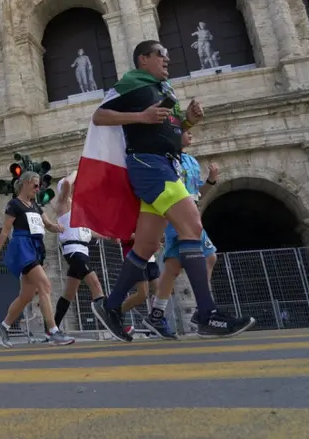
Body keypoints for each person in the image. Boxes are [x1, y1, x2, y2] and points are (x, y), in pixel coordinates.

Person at [86, 40, 254, 341]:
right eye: (162, 55)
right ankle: (207, 314)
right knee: (192, 226)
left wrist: (189, 119)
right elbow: (99, 117)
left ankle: (111, 306)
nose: (168, 60)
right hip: (148, 165)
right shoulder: (132, 84)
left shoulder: (165, 91)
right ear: (144, 59)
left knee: (147, 247)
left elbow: (172, 132)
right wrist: (140, 117)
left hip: (163, 164)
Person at [0, 172, 75, 347]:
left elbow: (47, 224)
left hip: (35, 248)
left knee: (26, 295)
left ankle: (3, 326)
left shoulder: (35, 205)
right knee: (45, 285)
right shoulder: (14, 205)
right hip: (22, 247)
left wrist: (56, 227)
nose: (38, 189)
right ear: (26, 183)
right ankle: (52, 331)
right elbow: (5, 231)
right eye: (35, 185)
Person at [147, 129, 220, 337]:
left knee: (173, 266)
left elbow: (198, 193)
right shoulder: (167, 159)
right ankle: (203, 309)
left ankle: (157, 314)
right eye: (186, 131)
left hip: (190, 213)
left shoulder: (191, 161)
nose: (191, 134)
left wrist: (211, 180)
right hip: (177, 214)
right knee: (209, 257)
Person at [51, 172, 106, 332]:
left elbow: (87, 231)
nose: (76, 187)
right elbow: (67, 184)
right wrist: (78, 171)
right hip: (74, 251)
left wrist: (108, 236)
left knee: (69, 293)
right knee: (95, 285)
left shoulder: (78, 208)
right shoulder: (63, 204)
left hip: (82, 250)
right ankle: (111, 323)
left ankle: (52, 328)